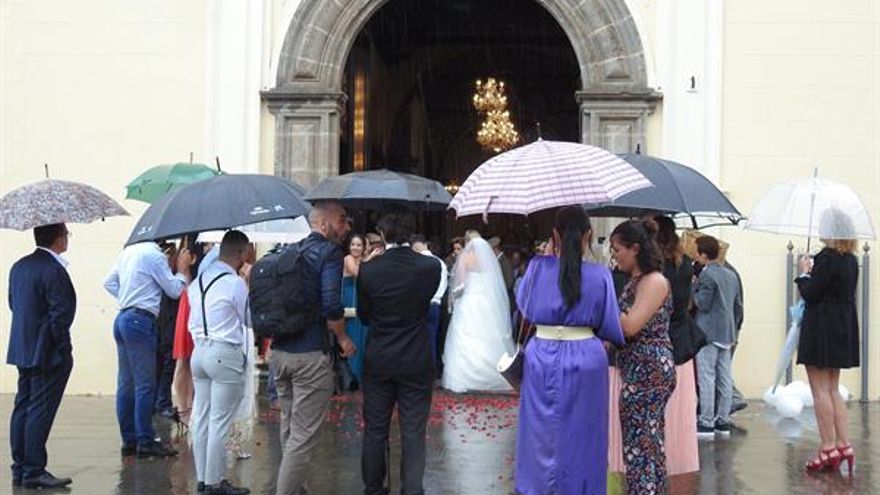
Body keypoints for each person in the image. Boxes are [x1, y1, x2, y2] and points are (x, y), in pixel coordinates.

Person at [514, 207, 625, 495]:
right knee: (585, 432)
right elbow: (611, 325)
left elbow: (524, 306)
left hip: (542, 354)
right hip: (587, 355)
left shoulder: (538, 268)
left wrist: (547, 258)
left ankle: (538, 487)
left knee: (540, 430)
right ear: (588, 235)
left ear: (555, 235)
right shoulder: (600, 275)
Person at [272, 201, 356, 495]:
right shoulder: (329, 252)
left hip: (281, 353)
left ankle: (296, 489)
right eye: (342, 221)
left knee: (290, 426)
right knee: (303, 436)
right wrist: (344, 338)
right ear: (324, 223)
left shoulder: (290, 252)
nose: (346, 228)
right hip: (309, 355)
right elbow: (332, 303)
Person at [356, 205, 441, 495]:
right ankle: (412, 488)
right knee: (413, 430)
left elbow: (365, 316)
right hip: (415, 357)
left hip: (380, 357)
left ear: (382, 233)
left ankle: (373, 487)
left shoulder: (368, 270)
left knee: (375, 428)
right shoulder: (430, 267)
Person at [104, 239, 193, 457]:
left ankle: (129, 440)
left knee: (126, 384)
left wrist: (130, 298)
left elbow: (109, 282)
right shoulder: (155, 255)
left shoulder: (129, 251)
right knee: (145, 384)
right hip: (140, 321)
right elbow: (173, 290)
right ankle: (145, 440)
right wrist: (181, 271)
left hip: (123, 317)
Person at [610, 219, 675, 494]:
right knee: (646, 441)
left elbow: (630, 325)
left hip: (648, 370)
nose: (614, 255)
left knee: (642, 445)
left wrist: (604, 297)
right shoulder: (635, 282)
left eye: (617, 249)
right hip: (638, 368)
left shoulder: (654, 281)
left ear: (635, 248)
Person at [7, 223, 75, 489]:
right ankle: (34, 469)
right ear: (58, 238)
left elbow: (14, 303)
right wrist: (64, 348)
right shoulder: (54, 270)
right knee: (39, 409)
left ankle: (20, 466)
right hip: (47, 351)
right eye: (66, 234)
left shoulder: (19, 266)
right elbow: (60, 315)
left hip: (23, 347)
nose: (67, 238)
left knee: (23, 406)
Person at [796, 208, 860, 474]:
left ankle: (827, 448)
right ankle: (844, 445)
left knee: (819, 390)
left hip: (822, 326)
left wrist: (804, 272)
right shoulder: (851, 260)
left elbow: (811, 293)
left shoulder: (826, 258)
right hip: (842, 325)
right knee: (833, 389)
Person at [189, 231, 252, 495]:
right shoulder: (234, 282)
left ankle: (204, 478)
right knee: (219, 420)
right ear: (240, 254)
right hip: (224, 352)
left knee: (202, 417)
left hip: (199, 352)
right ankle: (214, 482)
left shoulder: (198, 281)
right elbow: (248, 318)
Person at [654, 216, 699, 474]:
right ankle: (677, 460)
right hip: (682, 343)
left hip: (662, 340)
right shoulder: (685, 265)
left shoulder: (658, 269)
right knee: (678, 411)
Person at [442, 234, 516, 392]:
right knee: (487, 334)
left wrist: (455, 294)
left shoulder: (466, 258)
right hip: (485, 303)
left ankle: (465, 376)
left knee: (464, 336)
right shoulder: (488, 261)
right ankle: (492, 372)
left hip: (469, 301)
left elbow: (460, 282)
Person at [692, 235, 741, 438]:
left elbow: (702, 303)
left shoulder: (706, 276)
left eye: (696, 251)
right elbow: (738, 306)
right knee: (724, 378)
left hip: (708, 332)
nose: (694, 255)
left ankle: (705, 422)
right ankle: (723, 421)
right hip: (727, 332)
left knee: (707, 377)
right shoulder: (731, 275)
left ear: (704, 254)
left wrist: (693, 286)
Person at [171, 235, 209, 425]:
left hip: (196, 303)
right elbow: (183, 277)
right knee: (184, 359)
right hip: (189, 302)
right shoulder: (188, 250)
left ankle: (189, 406)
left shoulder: (206, 252)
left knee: (190, 360)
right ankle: (183, 407)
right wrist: (184, 269)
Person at [341, 234, 380, 387]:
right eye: (353, 244)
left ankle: (362, 373)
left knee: (364, 335)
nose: (355, 248)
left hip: (362, 301)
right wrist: (369, 259)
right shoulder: (348, 259)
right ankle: (351, 374)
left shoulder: (363, 261)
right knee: (352, 334)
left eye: (358, 245)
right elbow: (357, 272)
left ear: (364, 247)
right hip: (351, 300)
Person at [411, 235, 448, 361]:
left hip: (418, 305)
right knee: (431, 338)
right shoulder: (440, 262)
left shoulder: (415, 263)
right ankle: (431, 372)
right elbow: (443, 285)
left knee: (416, 341)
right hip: (435, 304)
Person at [155, 241, 181, 420]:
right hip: (166, 328)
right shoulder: (169, 278)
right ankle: (162, 403)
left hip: (163, 327)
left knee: (162, 367)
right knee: (165, 367)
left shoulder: (159, 276)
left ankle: (160, 402)